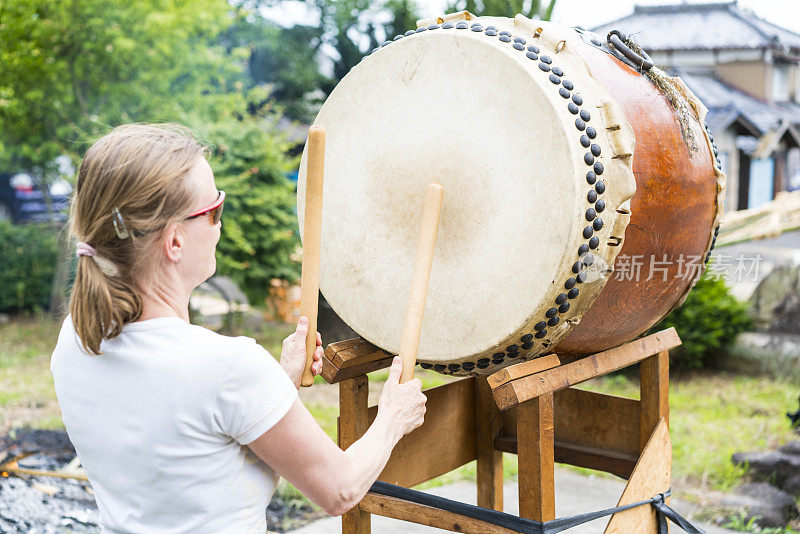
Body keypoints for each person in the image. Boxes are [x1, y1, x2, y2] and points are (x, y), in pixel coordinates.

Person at [50, 123, 427, 533]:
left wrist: (276, 383)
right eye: (214, 210)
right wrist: (392, 417)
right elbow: (339, 489)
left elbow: (194, 440)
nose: (220, 224)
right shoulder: (226, 367)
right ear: (174, 242)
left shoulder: (75, 340)